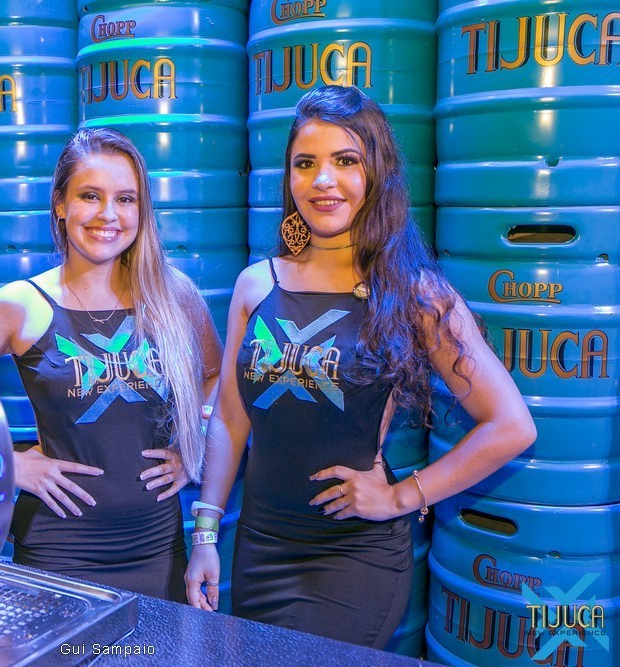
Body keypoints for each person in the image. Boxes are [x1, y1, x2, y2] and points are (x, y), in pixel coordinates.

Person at [184, 86, 536, 646]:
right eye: (306, 163)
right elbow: (229, 418)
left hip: (354, 555)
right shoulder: (255, 285)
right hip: (260, 546)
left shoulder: (414, 292)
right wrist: (206, 532)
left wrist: (402, 496)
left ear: (377, 174)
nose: (323, 180)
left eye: (345, 160)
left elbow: (512, 426)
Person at [0, 127, 223, 602]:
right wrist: (6, 463)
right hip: (58, 553)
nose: (108, 214)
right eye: (90, 196)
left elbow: (215, 379)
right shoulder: (19, 304)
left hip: (158, 551)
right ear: (60, 204)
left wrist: (190, 446)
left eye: (125, 199)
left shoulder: (174, 296)